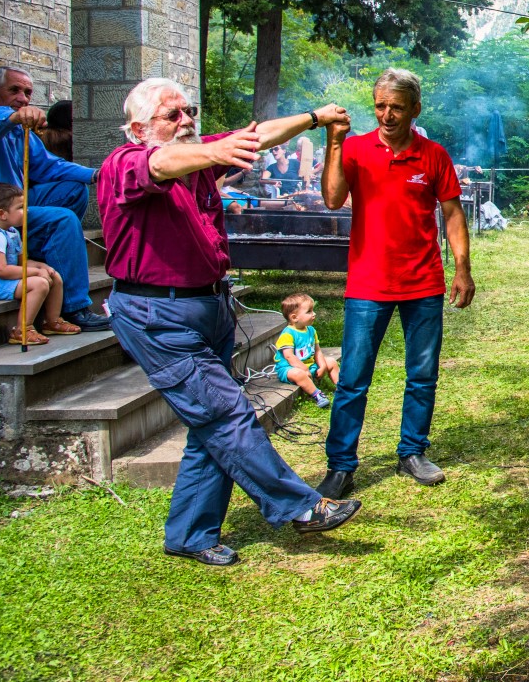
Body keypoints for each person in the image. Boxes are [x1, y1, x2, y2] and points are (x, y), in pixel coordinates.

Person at [98, 78, 361, 566]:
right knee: (226, 413)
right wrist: (214, 150)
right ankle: (301, 507)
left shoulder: (201, 160)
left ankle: (190, 534)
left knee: (210, 425)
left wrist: (315, 118)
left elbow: (259, 136)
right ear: (138, 128)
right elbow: (160, 163)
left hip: (209, 307)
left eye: (189, 112)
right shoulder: (123, 164)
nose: (186, 121)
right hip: (158, 315)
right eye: (172, 115)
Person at [315, 68, 476, 499]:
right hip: (367, 283)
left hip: (423, 281)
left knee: (422, 374)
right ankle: (340, 466)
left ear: (415, 109)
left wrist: (462, 268)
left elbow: (452, 214)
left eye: (397, 107)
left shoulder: (433, 155)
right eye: (380, 106)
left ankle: (412, 452)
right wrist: (334, 142)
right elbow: (332, 199)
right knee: (353, 378)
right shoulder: (354, 149)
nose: (386, 115)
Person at [0, 67, 109, 330]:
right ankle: (74, 307)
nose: (23, 98)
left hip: (18, 200)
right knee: (63, 219)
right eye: (14, 90)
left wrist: (98, 174)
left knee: (75, 188)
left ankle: (49, 252)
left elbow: (50, 166)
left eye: (28, 92)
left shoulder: (21, 128)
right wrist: (15, 116)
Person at [0, 182, 78, 345]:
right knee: (39, 284)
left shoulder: (12, 232)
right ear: (2, 214)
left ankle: (52, 320)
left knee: (54, 276)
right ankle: (22, 329)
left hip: (11, 278)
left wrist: (41, 267)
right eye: (21, 207)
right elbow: (1, 270)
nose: (26, 210)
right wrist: (35, 272)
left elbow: (22, 262)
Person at [276, 293, 340, 409]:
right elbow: (289, 356)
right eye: (309, 311)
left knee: (331, 361)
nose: (314, 314)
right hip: (289, 368)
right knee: (298, 374)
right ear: (294, 317)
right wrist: (304, 369)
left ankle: (341, 388)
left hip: (309, 365)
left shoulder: (311, 330)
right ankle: (317, 395)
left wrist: (322, 366)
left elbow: (317, 351)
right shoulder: (288, 334)